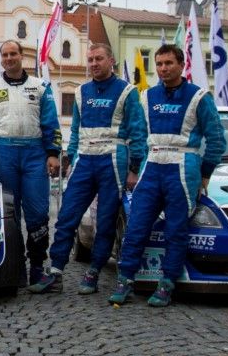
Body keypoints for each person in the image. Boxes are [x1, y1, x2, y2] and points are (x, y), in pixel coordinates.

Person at [109, 44, 226, 308]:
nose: (163, 68)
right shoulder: (147, 96)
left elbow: (217, 140)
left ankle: (167, 282)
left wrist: (205, 174)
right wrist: (135, 167)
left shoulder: (199, 97)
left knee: (176, 229)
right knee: (136, 225)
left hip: (183, 167)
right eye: (159, 64)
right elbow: (137, 133)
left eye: (168, 63)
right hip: (152, 166)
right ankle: (125, 279)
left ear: (181, 64)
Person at [31, 43, 147, 295]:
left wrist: (134, 169)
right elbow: (75, 131)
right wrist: (69, 158)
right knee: (66, 217)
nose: (94, 64)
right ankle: (57, 271)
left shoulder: (127, 92)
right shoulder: (82, 92)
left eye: (99, 59)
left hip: (113, 160)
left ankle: (94, 270)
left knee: (104, 221)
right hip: (84, 160)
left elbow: (138, 132)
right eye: (90, 59)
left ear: (111, 61)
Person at [0, 40, 62, 288]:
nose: (9, 58)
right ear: (1, 59)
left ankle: (36, 268)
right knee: (9, 215)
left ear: (22, 56)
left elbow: (51, 123)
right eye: (5, 55)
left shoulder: (41, 87)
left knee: (38, 214)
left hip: (35, 154)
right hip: (3, 153)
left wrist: (53, 153)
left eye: (14, 54)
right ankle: (13, 268)